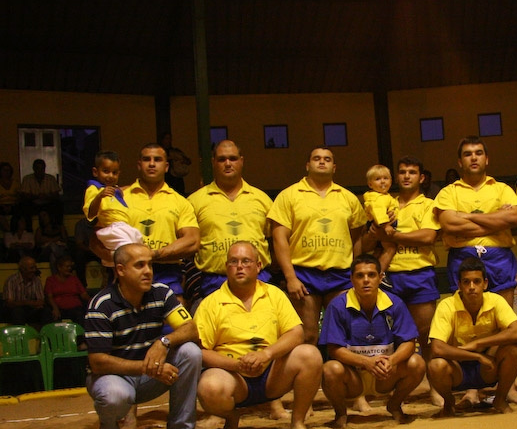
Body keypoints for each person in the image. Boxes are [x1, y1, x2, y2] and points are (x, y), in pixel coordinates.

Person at [84, 243, 202, 429]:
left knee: (190, 352)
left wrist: (163, 342)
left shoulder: (161, 293)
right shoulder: (102, 305)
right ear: (120, 270)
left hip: (148, 376)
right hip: (114, 377)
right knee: (114, 396)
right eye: (139, 265)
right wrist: (149, 368)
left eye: (149, 265)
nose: (148, 271)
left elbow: (191, 329)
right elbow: (98, 362)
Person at [194, 241, 321, 429]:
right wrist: (237, 365)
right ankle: (231, 418)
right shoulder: (210, 303)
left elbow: (296, 333)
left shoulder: (274, 294)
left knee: (310, 354)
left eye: (246, 261)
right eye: (233, 262)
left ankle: (297, 422)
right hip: (233, 376)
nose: (239, 266)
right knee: (209, 387)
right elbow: (201, 351)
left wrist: (266, 354)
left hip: (272, 373)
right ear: (226, 267)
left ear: (258, 266)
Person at [268, 147, 365, 345]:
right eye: (317, 158)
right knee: (307, 336)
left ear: (334, 167)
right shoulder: (289, 195)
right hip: (304, 275)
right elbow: (279, 239)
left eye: (327, 159)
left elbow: (356, 238)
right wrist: (290, 277)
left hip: (340, 275)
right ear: (307, 165)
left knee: (344, 337)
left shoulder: (348, 198)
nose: (322, 162)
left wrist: (356, 273)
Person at [368, 156, 443, 406]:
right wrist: (378, 232)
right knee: (389, 337)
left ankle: (435, 389)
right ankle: (392, 390)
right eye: (402, 172)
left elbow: (428, 237)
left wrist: (393, 235)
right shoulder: (385, 202)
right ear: (396, 177)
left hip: (420, 274)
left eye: (412, 172)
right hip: (390, 276)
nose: (407, 176)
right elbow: (373, 236)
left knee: (426, 336)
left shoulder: (429, 204)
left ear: (421, 178)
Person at [319, 255, 426, 428]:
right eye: (360, 276)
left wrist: (392, 361)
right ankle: (340, 414)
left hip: (385, 374)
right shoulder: (337, 306)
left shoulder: (395, 303)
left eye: (371, 275)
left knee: (417, 363)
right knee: (330, 369)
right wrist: (366, 362)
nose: (366, 280)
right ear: (351, 279)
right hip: (353, 377)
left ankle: (394, 405)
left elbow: (409, 342)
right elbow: (334, 348)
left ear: (380, 277)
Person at [426, 257, 517, 416]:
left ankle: (500, 399)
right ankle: (449, 403)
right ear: (459, 285)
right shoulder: (447, 305)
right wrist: (477, 356)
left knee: (514, 349)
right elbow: (437, 348)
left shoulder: (496, 300)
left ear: (485, 284)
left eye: (476, 281)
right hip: (458, 368)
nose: (471, 287)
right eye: (466, 282)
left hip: (488, 367)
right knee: (435, 365)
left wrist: (478, 344)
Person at [434, 136, 517, 305]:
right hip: (462, 256)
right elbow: (450, 224)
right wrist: (496, 221)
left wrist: (467, 216)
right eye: (468, 154)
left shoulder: (502, 189)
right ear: (460, 162)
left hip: (499, 258)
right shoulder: (448, 192)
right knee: (465, 317)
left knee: (504, 315)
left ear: (486, 159)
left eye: (478, 153)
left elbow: (513, 217)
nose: (474, 158)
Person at [188, 140, 273, 301]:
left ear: (242, 161)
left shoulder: (262, 200)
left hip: (259, 279)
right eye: (222, 159)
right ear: (213, 162)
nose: (228, 164)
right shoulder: (194, 201)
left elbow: (274, 241)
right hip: (213, 282)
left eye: (233, 158)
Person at [122, 143, 200, 299]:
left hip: (167, 273)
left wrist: (155, 254)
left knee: (179, 312)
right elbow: (99, 238)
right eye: (147, 159)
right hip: (128, 273)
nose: (152, 164)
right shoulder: (121, 197)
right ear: (139, 165)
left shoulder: (179, 202)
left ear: (166, 167)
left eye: (157, 159)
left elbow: (193, 241)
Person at [82, 150, 143, 268]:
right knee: (128, 257)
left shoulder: (117, 191)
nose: (110, 176)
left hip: (126, 227)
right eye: (106, 171)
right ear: (95, 172)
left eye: (114, 173)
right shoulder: (94, 189)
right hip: (112, 228)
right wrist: (100, 196)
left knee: (140, 251)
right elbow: (90, 214)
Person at [359, 164, 398, 262]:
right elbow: (378, 213)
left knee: (379, 250)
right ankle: (380, 269)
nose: (383, 181)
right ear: (370, 184)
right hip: (379, 224)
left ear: (391, 181)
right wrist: (386, 226)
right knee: (390, 249)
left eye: (386, 178)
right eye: (378, 179)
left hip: (385, 224)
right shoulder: (375, 198)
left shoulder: (384, 196)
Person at [3, 256, 52, 329]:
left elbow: (41, 301)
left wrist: (27, 303)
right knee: (18, 312)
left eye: (35, 267)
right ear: (23, 269)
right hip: (16, 310)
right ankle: (20, 334)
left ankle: (45, 333)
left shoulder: (36, 280)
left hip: (32, 310)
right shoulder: (11, 281)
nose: (34, 270)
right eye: (31, 268)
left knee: (46, 311)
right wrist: (27, 302)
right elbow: (9, 303)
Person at [45, 255, 89, 325]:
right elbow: (49, 297)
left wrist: (93, 300)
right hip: (59, 308)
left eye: (70, 267)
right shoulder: (50, 280)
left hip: (75, 308)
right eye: (67, 266)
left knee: (80, 314)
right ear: (59, 267)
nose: (69, 268)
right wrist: (55, 308)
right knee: (49, 313)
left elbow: (84, 294)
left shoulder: (74, 279)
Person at [18, 158, 62, 225]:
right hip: (33, 204)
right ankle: (28, 228)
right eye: (38, 168)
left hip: (47, 203)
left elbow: (56, 194)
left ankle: (57, 227)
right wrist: (36, 196)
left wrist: (46, 197)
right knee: (24, 206)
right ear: (34, 169)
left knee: (58, 204)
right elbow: (24, 195)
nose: (40, 171)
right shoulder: (27, 179)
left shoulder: (50, 178)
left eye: (42, 168)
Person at [34, 209, 69, 273]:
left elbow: (65, 240)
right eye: (40, 217)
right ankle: (60, 258)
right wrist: (55, 239)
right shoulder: (40, 230)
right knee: (52, 245)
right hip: (45, 252)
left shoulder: (60, 227)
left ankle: (55, 276)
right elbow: (38, 243)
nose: (42, 218)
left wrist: (47, 239)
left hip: (60, 249)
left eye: (44, 215)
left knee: (52, 257)